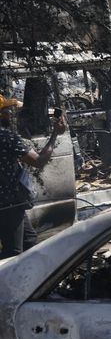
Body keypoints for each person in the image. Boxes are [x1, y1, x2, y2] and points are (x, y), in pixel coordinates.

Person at [0, 95, 66, 258]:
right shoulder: (6, 137)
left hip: (10, 203)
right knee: (13, 252)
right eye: (7, 111)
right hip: (9, 203)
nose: (10, 114)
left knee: (29, 240)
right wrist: (55, 134)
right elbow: (39, 161)